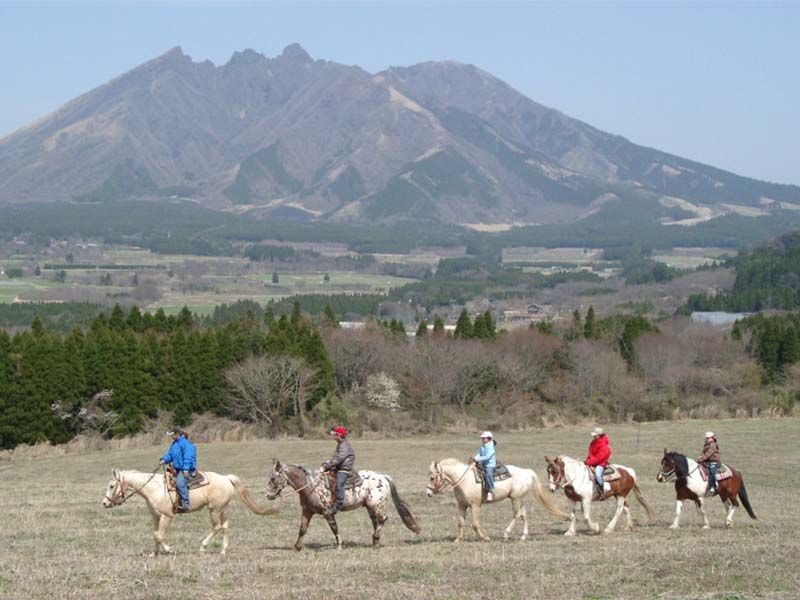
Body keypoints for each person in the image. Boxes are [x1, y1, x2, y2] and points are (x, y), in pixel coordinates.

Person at [159, 426, 197, 512]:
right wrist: (164, 459)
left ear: (177, 434)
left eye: (172, 435)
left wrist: (186, 469)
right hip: (178, 468)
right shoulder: (174, 444)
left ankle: (185, 504)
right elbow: (170, 455)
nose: (171, 437)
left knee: (179, 483)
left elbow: (188, 457)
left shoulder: (186, 444)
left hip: (186, 469)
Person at [322, 426, 355, 515]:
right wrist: (328, 463)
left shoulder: (344, 445)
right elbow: (336, 458)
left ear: (339, 435)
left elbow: (339, 458)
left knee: (339, 484)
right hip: (338, 467)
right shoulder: (340, 444)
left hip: (344, 469)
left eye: (335, 435)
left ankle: (338, 505)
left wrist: (328, 466)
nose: (333, 437)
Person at [585, 427, 611, 498]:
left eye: (595, 435)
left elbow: (599, 458)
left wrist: (588, 462)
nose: (593, 436)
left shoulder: (604, 446)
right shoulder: (593, 442)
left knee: (598, 475)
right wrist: (588, 460)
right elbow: (590, 453)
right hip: (592, 462)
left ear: (599, 435)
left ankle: (602, 491)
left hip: (601, 464)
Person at [470, 431, 496, 501]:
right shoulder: (482, 446)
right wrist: (475, 458)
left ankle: (491, 490)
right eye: (482, 438)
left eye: (484, 438)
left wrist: (477, 459)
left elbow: (487, 457)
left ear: (489, 439)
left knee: (488, 475)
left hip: (489, 464)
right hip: (482, 463)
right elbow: (479, 454)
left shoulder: (491, 447)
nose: (482, 439)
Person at [697, 431, 720, 495]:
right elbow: (703, 453)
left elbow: (708, 454)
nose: (706, 439)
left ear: (712, 438)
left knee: (711, 473)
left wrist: (701, 459)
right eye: (706, 438)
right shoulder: (706, 445)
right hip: (706, 461)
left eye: (707, 438)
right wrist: (700, 458)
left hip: (713, 462)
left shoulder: (713, 445)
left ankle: (714, 485)